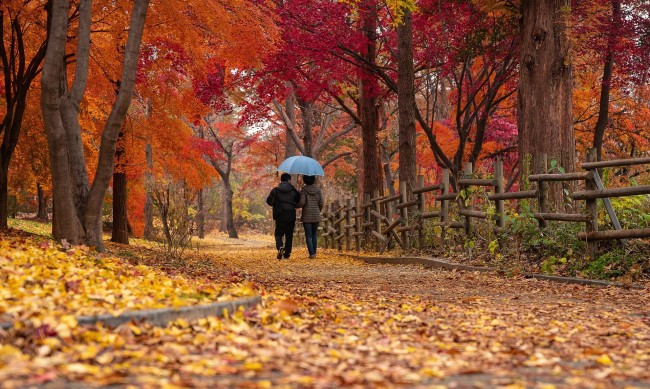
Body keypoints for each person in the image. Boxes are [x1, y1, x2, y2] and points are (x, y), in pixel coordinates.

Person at [266, 173, 300, 259]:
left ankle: (280, 247)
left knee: (278, 234)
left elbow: (269, 201)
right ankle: (287, 253)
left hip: (279, 215)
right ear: (289, 180)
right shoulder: (293, 191)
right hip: (290, 215)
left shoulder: (275, 190)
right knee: (289, 235)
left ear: (281, 180)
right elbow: (298, 200)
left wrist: (275, 204)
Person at [297, 175, 323, 259]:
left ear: (304, 180)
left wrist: (295, 205)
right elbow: (321, 203)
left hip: (307, 216)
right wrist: (318, 211)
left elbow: (302, 203)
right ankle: (314, 252)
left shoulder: (304, 190)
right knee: (314, 234)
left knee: (308, 235)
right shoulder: (318, 190)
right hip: (316, 215)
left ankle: (311, 254)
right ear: (313, 180)